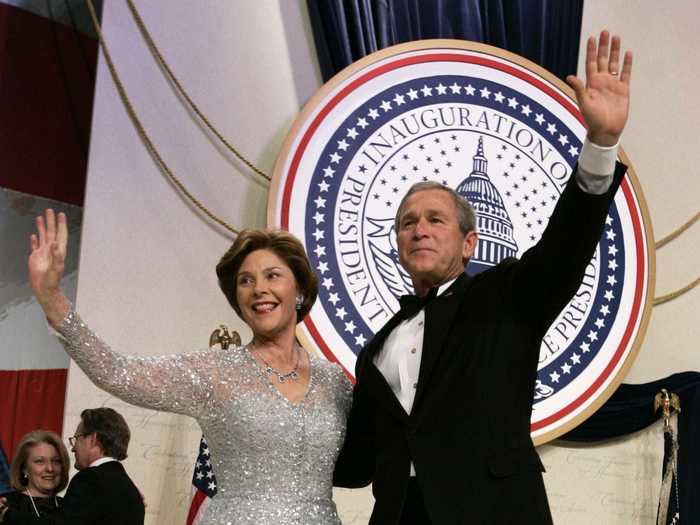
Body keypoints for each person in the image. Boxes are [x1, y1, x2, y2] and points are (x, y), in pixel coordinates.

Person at [333, 30, 634, 524]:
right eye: (407, 222)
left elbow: (565, 248)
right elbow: (355, 463)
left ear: (470, 243)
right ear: (397, 244)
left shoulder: (504, 297)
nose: (420, 230)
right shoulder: (376, 349)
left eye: (435, 219)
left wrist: (600, 144)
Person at [27, 224, 352, 524]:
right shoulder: (215, 372)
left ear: (300, 290)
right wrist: (52, 298)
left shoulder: (335, 382)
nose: (258, 289)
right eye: (246, 280)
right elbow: (117, 372)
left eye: (272, 276)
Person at [0, 409, 145, 525]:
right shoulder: (130, 491)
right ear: (24, 467)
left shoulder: (90, 479)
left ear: (93, 439)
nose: (73, 448)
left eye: (77, 438)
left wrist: (6, 515)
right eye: (39, 461)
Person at [0, 431, 69, 523]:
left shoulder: (71, 508)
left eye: (56, 461)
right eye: (40, 461)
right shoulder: (5, 505)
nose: (50, 468)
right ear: (24, 468)